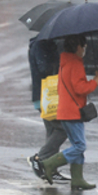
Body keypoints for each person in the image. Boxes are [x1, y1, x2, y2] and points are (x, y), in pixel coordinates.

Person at [41, 34, 98, 190]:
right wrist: (94, 83)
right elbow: (80, 88)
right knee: (79, 146)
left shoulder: (64, 63)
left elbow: (63, 87)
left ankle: (77, 179)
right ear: (77, 47)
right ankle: (49, 164)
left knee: (77, 144)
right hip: (73, 112)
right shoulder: (76, 64)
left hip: (65, 110)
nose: (84, 50)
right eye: (83, 47)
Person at [26, 35, 69, 183]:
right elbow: (44, 67)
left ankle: (50, 170)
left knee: (52, 131)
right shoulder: (40, 45)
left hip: (47, 96)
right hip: (46, 95)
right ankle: (40, 159)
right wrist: (58, 60)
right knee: (63, 128)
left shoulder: (46, 43)